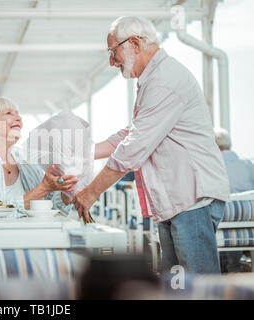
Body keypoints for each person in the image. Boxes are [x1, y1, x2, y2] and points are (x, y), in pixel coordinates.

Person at [73, 16, 230, 274]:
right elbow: (132, 133)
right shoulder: (153, 78)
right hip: (179, 200)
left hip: (192, 198)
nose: (111, 61)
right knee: (176, 286)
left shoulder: (164, 79)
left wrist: (91, 193)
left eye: (113, 52)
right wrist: (85, 153)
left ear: (134, 43)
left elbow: (133, 147)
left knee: (198, 288)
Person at [0, 97, 77, 213]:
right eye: (9, 113)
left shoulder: (26, 158)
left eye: (18, 114)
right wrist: (44, 188)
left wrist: (66, 192)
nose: (19, 118)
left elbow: (51, 205)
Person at [214, 127, 254, 273]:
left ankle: (220, 270)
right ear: (229, 144)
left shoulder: (213, 166)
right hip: (249, 222)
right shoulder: (248, 165)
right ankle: (234, 268)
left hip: (222, 220)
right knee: (235, 219)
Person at [214, 128, 254, 193]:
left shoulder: (212, 167)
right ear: (229, 144)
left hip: (226, 202)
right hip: (249, 202)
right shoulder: (247, 164)